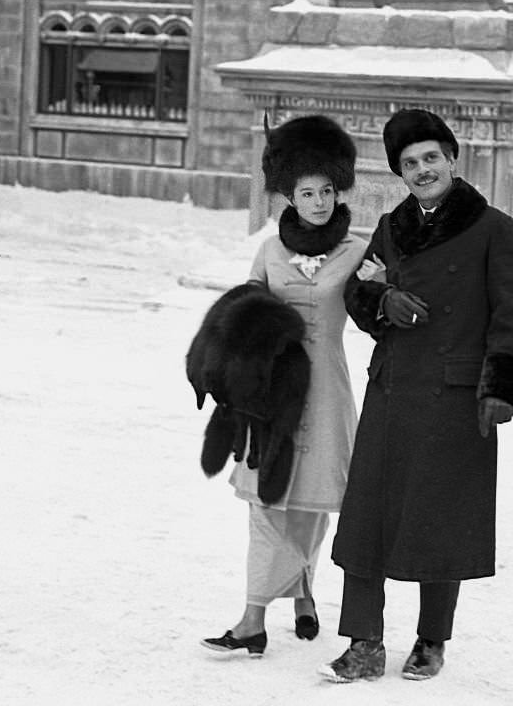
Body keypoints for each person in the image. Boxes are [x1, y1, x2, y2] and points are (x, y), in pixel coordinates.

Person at [319, 107, 513, 682]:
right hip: (392, 391)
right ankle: (363, 642)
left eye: (430, 158)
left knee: (442, 519)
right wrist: (382, 300)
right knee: (367, 518)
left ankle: (431, 640)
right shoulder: (392, 228)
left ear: (451, 159)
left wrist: (502, 388)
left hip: (458, 397)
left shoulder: (493, 228)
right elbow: (357, 289)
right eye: (410, 163)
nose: (422, 170)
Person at [200, 114, 366, 657]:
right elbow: (244, 310)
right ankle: (252, 619)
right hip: (272, 393)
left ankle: (304, 594)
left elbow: (377, 309)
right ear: (287, 197)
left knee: (312, 503)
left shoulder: (358, 252)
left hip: (328, 393)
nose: (318, 202)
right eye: (306, 192)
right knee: (265, 501)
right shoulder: (270, 251)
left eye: (325, 191)